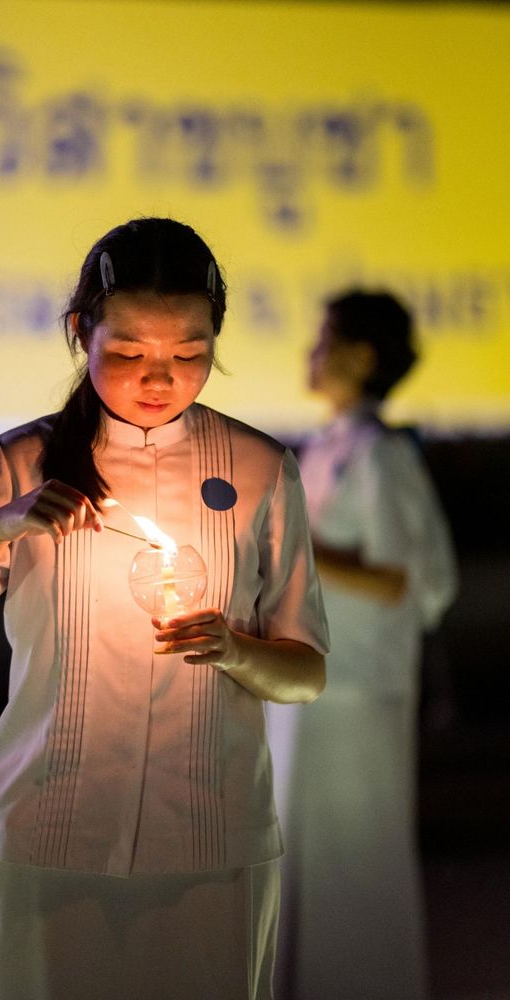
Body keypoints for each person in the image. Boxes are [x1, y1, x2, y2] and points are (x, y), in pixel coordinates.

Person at [0, 217, 329, 1000]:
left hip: (211, 842)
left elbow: (304, 674)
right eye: (127, 353)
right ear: (79, 332)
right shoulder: (19, 462)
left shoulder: (259, 468)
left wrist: (233, 648)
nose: (159, 378)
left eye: (188, 354)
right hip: (43, 838)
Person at [279, 290, 457, 1000]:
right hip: (312, 684)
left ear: (361, 356)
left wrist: (294, 547)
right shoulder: (326, 447)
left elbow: (401, 578)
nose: (311, 353)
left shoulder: (382, 455)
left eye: (325, 339)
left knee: (356, 863)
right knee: (310, 863)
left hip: (358, 687)